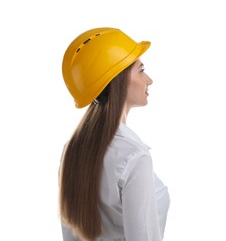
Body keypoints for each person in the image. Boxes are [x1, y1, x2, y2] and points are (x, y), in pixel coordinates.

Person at [59, 27, 170, 241]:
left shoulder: (72, 150)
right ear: (117, 80)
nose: (149, 79)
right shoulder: (135, 157)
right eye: (141, 70)